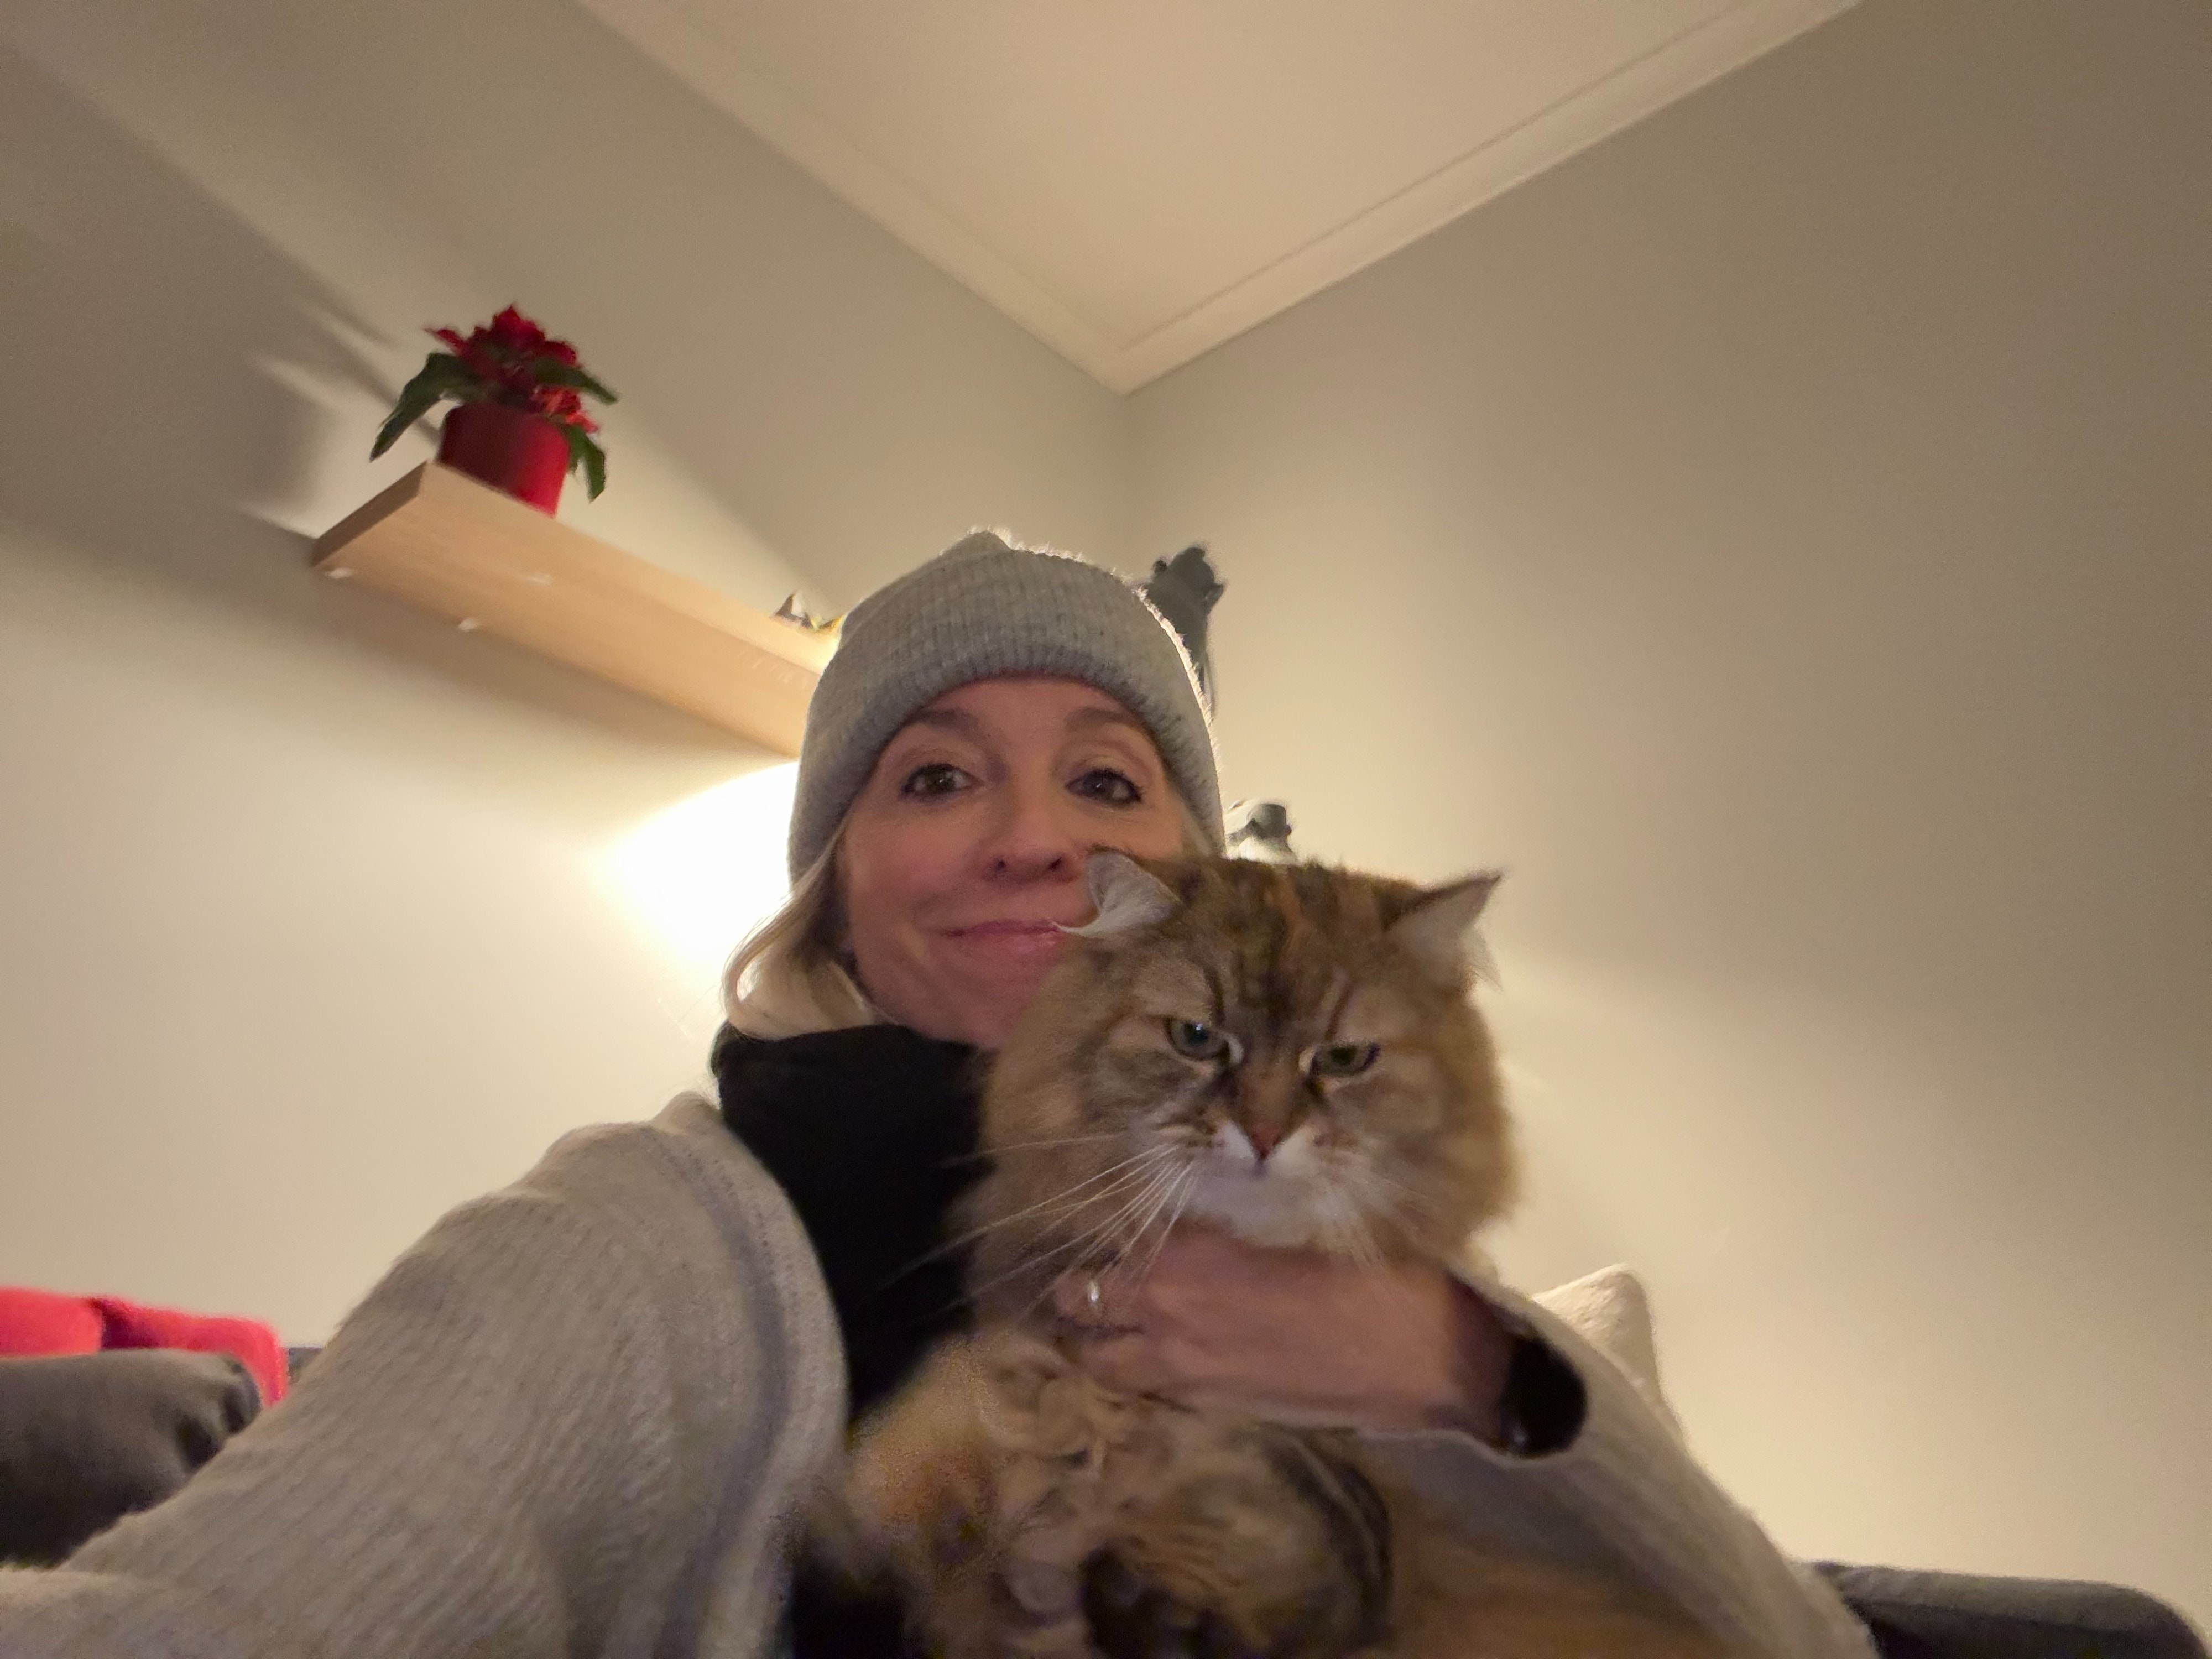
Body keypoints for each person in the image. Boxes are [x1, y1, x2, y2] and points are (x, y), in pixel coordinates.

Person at [0, 531, 1876, 1658]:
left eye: (1109, 783)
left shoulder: (1339, 1234)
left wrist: (1462, 1368)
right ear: (834, 881)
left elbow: (1803, 1642)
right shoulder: (629, 1241)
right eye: (936, 777)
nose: (1036, 841)